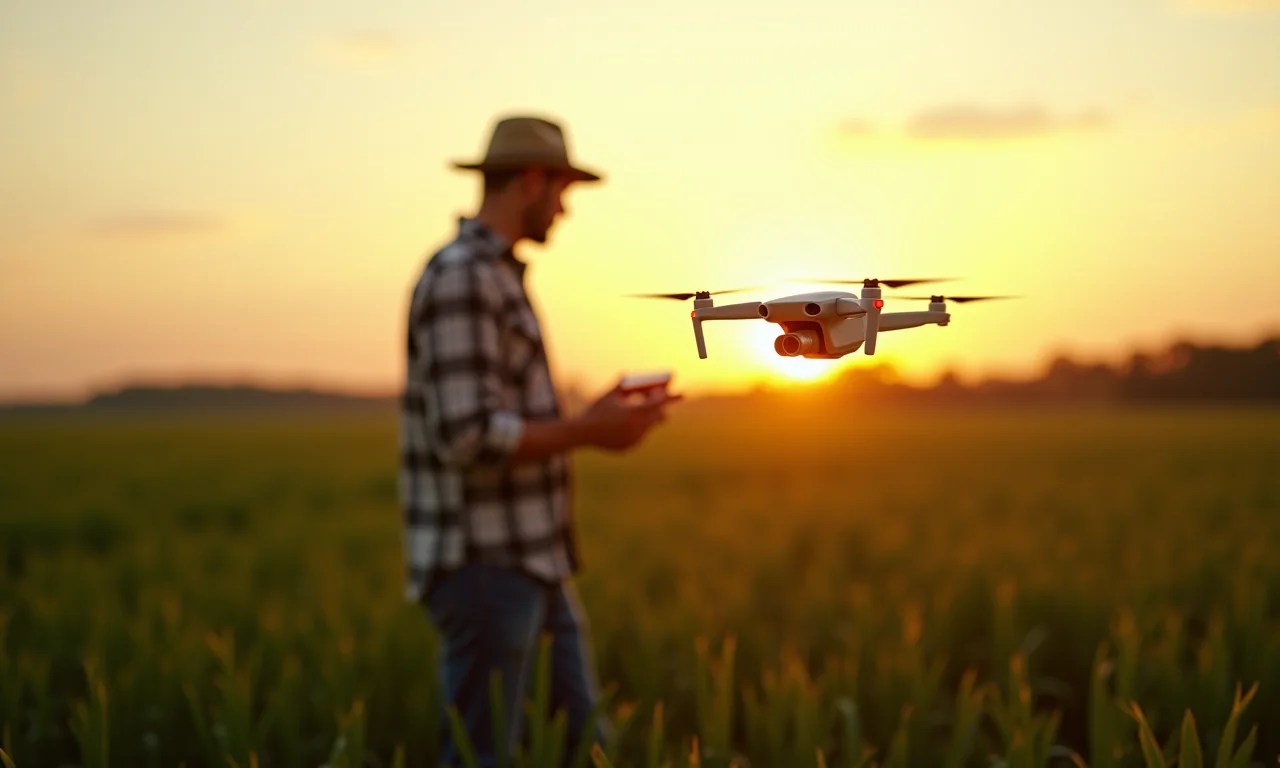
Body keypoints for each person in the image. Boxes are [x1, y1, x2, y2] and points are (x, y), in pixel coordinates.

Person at [399, 114, 680, 768]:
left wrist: (594, 414)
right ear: (529, 181)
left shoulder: (497, 277)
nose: (564, 209)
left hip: (532, 562)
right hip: (485, 567)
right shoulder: (465, 278)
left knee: (584, 748)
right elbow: (469, 435)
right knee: (482, 755)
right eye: (562, 191)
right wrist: (589, 431)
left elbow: (499, 412)